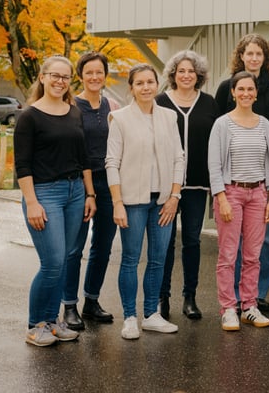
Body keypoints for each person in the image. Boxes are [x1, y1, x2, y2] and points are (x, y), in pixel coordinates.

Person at [14, 55, 93, 347]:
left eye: (65, 77)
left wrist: (89, 194)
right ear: (43, 77)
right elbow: (22, 165)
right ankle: (35, 325)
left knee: (66, 259)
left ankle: (52, 321)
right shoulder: (29, 116)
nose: (60, 81)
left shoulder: (73, 112)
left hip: (75, 193)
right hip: (44, 193)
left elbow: (82, 158)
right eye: (55, 75)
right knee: (52, 262)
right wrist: (32, 202)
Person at [106, 63, 186, 340]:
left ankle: (151, 314)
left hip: (163, 200)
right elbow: (112, 163)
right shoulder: (120, 119)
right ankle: (130, 316)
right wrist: (117, 202)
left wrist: (175, 196)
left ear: (157, 84)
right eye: (139, 83)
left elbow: (179, 157)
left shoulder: (168, 117)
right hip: (132, 201)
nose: (146, 87)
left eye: (150, 82)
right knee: (130, 259)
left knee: (158, 259)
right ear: (132, 87)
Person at [214, 34, 269, 313]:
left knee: (262, 241)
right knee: (232, 244)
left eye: (259, 54)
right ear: (241, 56)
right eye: (249, 53)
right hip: (232, 178)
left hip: (261, 178)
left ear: (265, 58)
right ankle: (234, 298)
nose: (254, 58)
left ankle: (256, 294)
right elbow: (217, 133)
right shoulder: (225, 88)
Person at [157, 50, 220, 322]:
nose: (186, 75)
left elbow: (217, 143)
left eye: (191, 72)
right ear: (173, 74)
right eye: (181, 71)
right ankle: (162, 297)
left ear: (199, 76)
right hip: (165, 185)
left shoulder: (209, 104)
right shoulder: (160, 102)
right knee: (165, 242)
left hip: (196, 185)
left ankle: (190, 297)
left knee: (192, 241)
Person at [61, 52, 120, 330]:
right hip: (81, 184)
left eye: (99, 72)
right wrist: (88, 193)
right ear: (81, 76)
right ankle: (69, 305)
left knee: (103, 246)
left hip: (109, 182)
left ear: (105, 75)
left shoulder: (113, 106)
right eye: (89, 73)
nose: (95, 77)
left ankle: (91, 301)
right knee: (74, 248)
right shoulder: (71, 105)